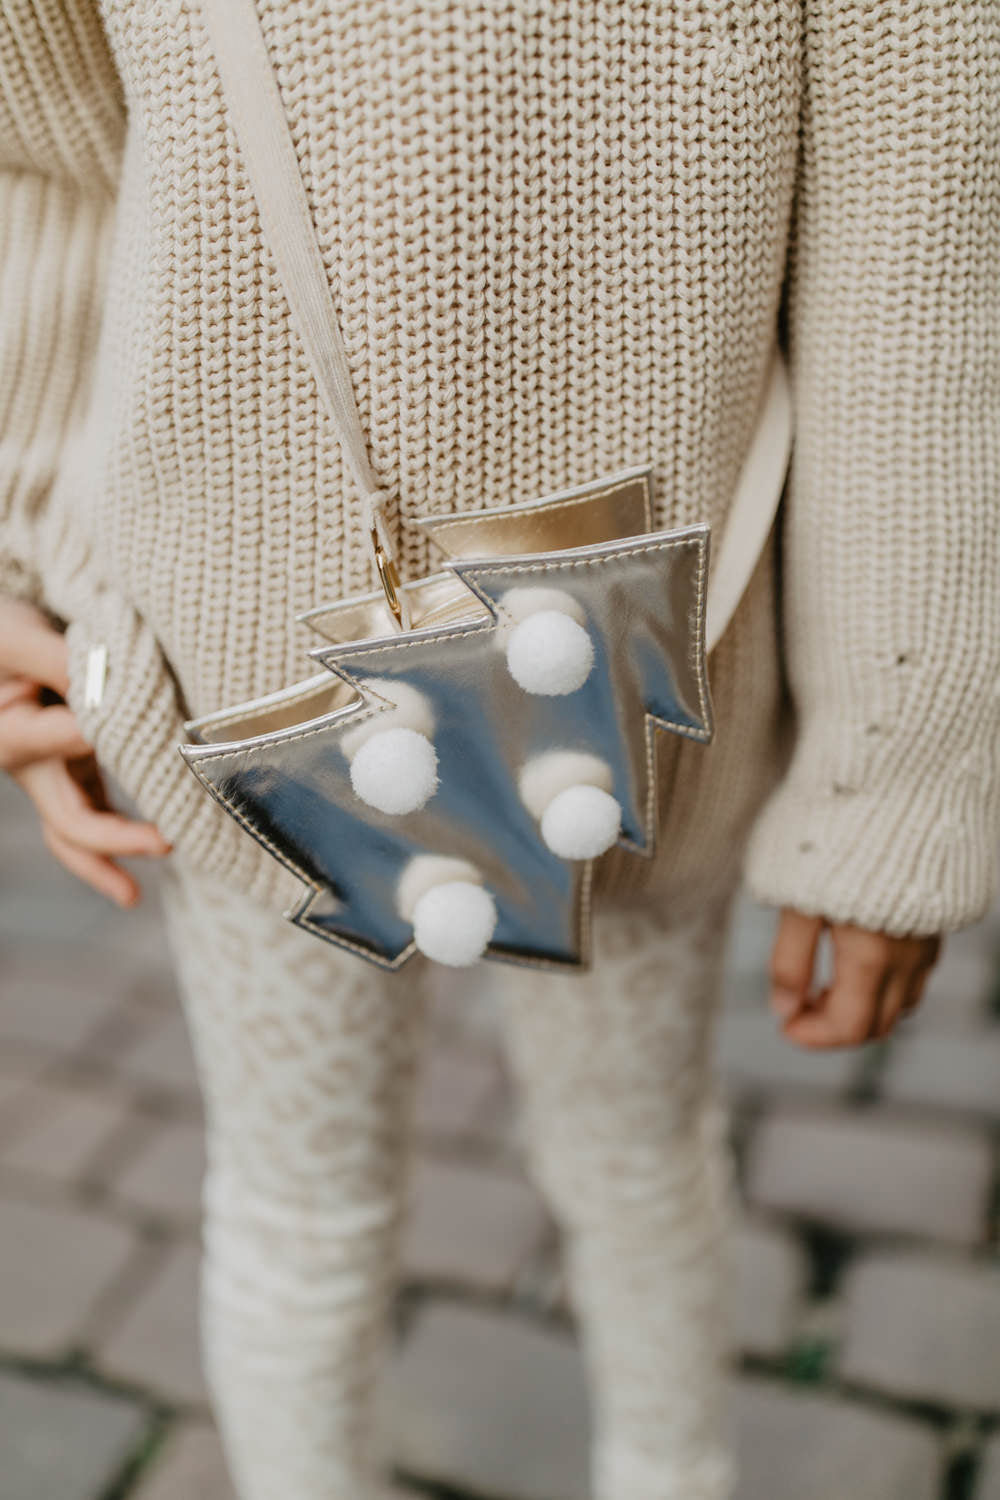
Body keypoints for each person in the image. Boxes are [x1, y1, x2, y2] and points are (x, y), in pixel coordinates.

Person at [0, 3, 995, 1497]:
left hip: (656, 701)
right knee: (300, 1211)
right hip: (239, 691)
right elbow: (52, 162)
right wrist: (23, 551)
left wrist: (901, 775)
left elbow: (921, 265)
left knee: (638, 1168)